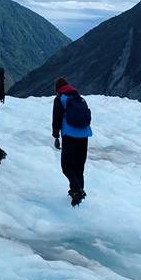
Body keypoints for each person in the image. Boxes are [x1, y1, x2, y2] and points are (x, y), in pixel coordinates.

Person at [52, 77, 92, 205]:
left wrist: (56, 136)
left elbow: (57, 118)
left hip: (69, 135)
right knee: (79, 166)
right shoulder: (78, 97)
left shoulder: (60, 99)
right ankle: (76, 191)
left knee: (67, 166)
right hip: (84, 134)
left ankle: (78, 190)